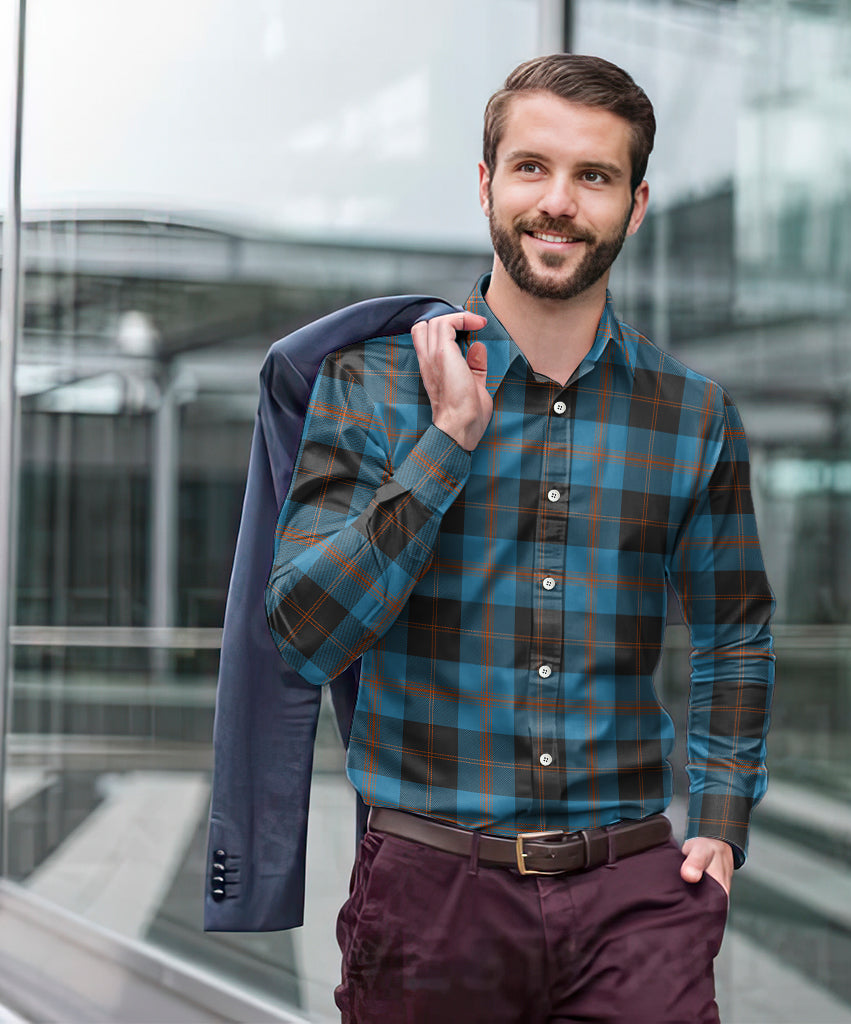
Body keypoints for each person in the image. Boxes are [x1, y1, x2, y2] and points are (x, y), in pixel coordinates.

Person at [265, 53, 775, 1024]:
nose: (559, 202)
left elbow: (735, 631)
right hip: (432, 897)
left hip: (635, 897)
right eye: (533, 167)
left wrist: (719, 819)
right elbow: (302, 633)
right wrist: (448, 443)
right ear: (487, 182)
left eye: (595, 176)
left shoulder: (691, 414)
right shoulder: (371, 387)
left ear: (636, 203)